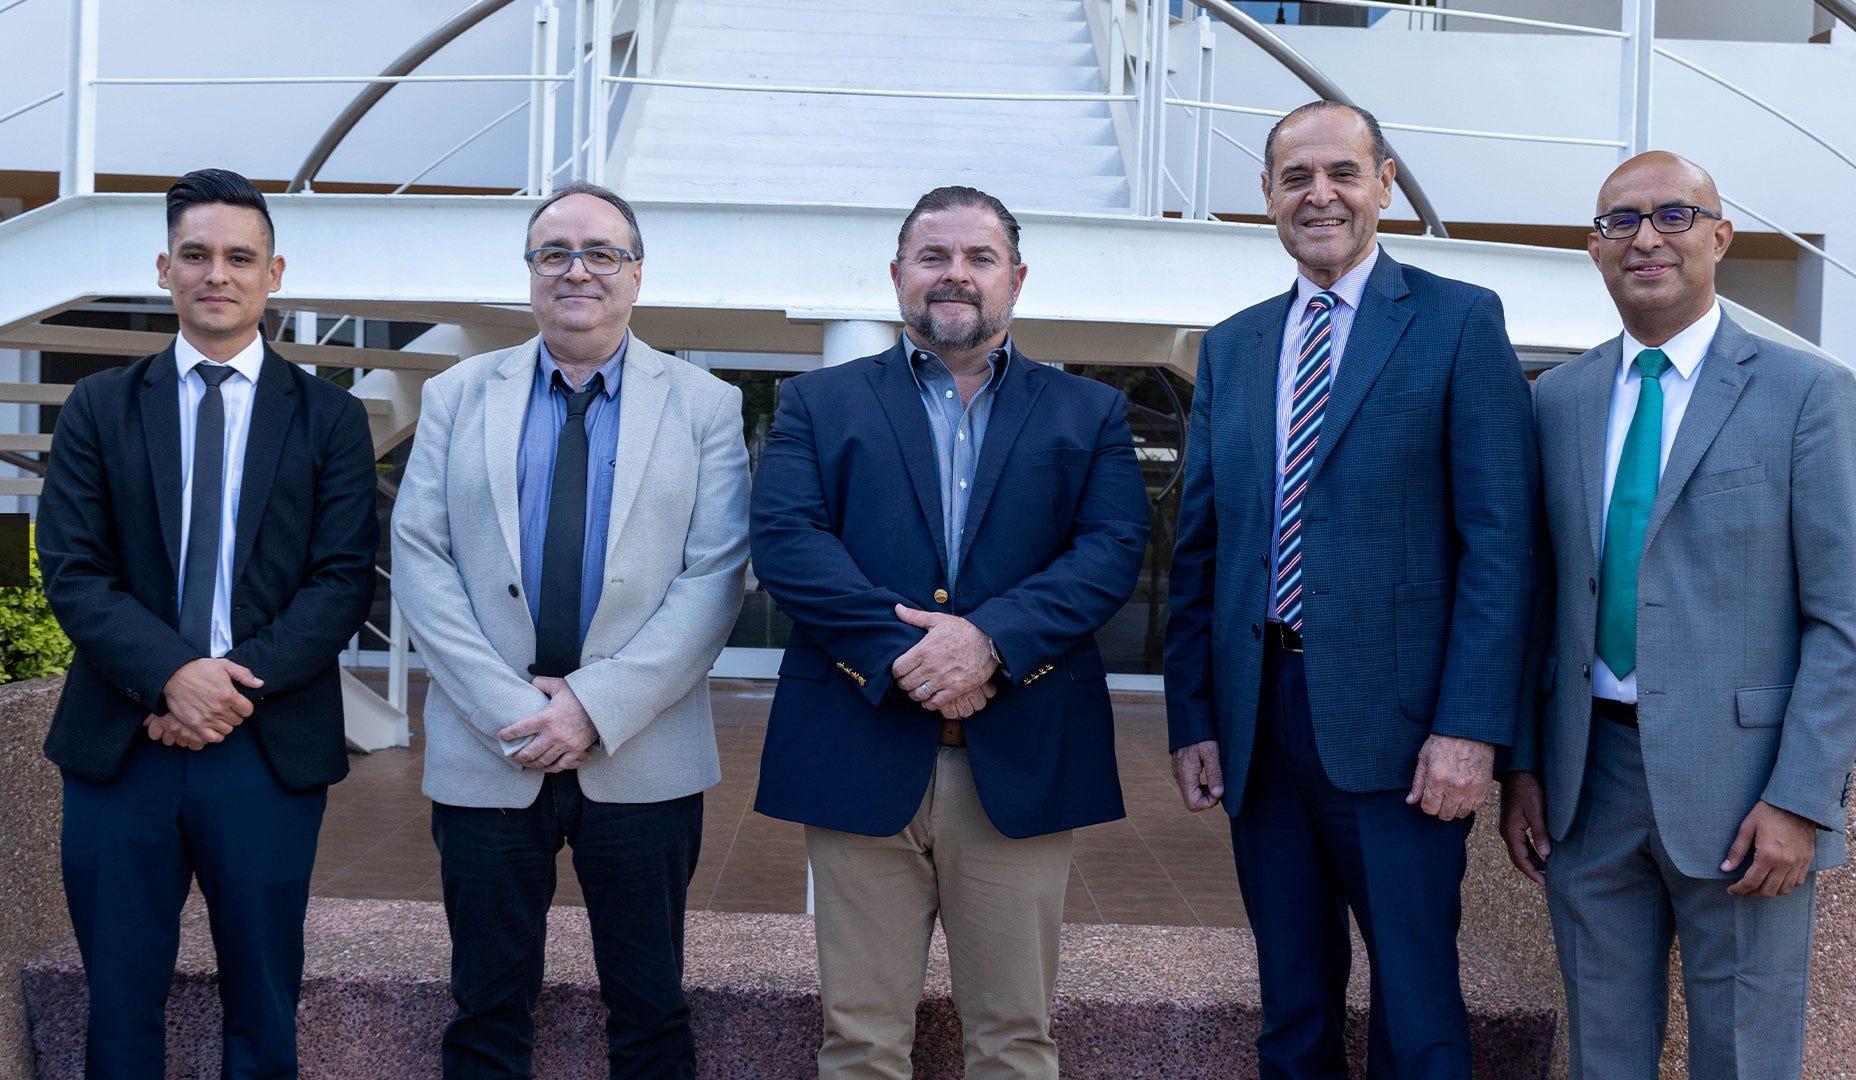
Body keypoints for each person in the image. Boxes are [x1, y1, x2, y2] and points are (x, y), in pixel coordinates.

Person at [1163, 102, 1537, 1078]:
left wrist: (1470, 727)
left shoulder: (1459, 321)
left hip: (1405, 733)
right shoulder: (1236, 345)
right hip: (1259, 725)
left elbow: (1500, 546)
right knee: (1291, 1001)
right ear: (1268, 199)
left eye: (1341, 172)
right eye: (1296, 177)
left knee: (1417, 1007)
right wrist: (1194, 717)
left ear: (1383, 182)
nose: (1318, 194)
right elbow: (1200, 549)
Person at [1499, 151, 1856, 1079]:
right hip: (1586, 784)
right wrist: (1523, 766)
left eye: (1674, 216)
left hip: (1747, 794)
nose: (1646, 239)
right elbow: (1535, 602)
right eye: (1620, 222)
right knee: (1602, 1055)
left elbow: (1848, 617)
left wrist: (1800, 799)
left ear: (1721, 237)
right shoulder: (1557, 401)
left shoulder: (1808, 394)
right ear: (1595, 251)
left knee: (1745, 1057)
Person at [750, 185, 1149, 1079]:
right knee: (859, 1041)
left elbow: (1111, 551)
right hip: (859, 748)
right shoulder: (818, 403)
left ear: (1017, 277)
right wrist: (912, 659)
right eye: (934, 258)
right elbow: (787, 542)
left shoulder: (1090, 412)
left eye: (978, 258)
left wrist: (990, 644)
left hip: (1022, 759)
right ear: (898, 275)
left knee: (1014, 1040)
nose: (955, 276)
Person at [390, 181, 748, 1079]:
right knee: (485, 1005)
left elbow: (715, 576)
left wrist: (592, 707)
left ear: (636, 274)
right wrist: (511, 705)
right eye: (555, 253)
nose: (577, 270)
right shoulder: (456, 395)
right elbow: (423, 560)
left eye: (602, 253)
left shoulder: (705, 403)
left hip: (644, 747)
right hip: (489, 742)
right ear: (531, 272)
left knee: (651, 1008)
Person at [35, 168, 378, 1078]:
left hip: (265, 749)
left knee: (265, 997)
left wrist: (220, 690)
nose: (215, 273)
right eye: (195, 255)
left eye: (238, 256)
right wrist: (169, 677)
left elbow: (341, 582)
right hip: (122, 745)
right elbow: (74, 570)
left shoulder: (331, 418)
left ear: (274, 274)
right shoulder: (101, 408)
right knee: (116, 998)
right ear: (163, 268)